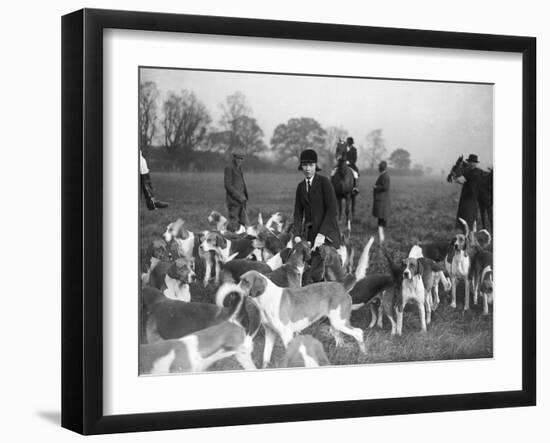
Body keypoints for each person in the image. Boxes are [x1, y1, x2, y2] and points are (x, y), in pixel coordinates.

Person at [293, 149, 340, 282]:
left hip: (328, 233)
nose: (307, 169)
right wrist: (296, 234)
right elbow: (297, 213)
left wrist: (322, 234)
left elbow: (332, 210)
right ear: (301, 167)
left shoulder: (324, 182)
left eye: (311, 165)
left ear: (315, 166)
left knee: (322, 272)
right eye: (305, 165)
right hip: (310, 235)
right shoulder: (300, 187)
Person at [454, 154, 485, 230]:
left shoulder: (470, 172)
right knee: (471, 218)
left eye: (472, 162)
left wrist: (455, 175)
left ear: (475, 163)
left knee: (466, 218)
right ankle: (470, 237)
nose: (470, 163)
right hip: (471, 198)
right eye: (470, 162)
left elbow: (460, 180)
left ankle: (468, 238)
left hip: (468, 198)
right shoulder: (480, 172)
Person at [224, 150, 249, 227]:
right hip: (233, 201)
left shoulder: (239, 167)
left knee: (242, 223)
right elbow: (228, 185)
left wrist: (244, 196)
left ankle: (242, 238)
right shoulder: (229, 167)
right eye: (238, 158)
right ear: (234, 157)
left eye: (242, 159)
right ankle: (233, 238)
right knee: (234, 224)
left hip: (242, 201)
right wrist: (239, 196)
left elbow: (241, 183)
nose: (240, 160)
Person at [372, 160, 390, 242]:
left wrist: (376, 187)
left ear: (382, 168)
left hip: (382, 198)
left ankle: (381, 231)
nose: (378, 168)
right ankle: (381, 228)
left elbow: (385, 187)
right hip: (382, 198)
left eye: (379, 167)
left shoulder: (385, 176)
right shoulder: (383, 175)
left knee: (381, 214)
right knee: (381, 214)